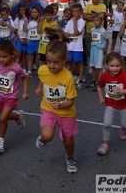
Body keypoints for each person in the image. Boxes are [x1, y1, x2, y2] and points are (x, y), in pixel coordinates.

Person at [35, 27, 78, 174]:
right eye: (49, 61)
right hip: (48, 108)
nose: (52, 66)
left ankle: (70, 157)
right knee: (47, 135)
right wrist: (39, 87)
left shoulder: (68, 78)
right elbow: (43, 78)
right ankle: (43, 137)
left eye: (56, 62)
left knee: (68, 141)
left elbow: (71, 101)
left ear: (65, 60)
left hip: (66, 112)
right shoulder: (42, 69)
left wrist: (60, 104)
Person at [0, 39, 29, 153]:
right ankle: (18, 117)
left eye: (4, 56)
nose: (1, 59)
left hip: (11, 97)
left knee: (2, 118)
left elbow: (24, 78)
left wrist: (25, 92)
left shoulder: (16, 67)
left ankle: (0, 140)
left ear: (12, 55)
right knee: (5, 117)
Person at [96, 52, 126, 155]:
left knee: (124, 124)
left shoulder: (124, 76)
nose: (115, 68)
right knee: (106, 124)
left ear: (122, 65)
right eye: (112, 66)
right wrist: (101, 97)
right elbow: (99, 86)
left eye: (117, 66)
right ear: (107, 65)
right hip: (110, 103)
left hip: (123, 104)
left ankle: (124, 129)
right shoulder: (105, 76)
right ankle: (105, 144)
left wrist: (121, 91)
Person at [64, 3, 86, 91]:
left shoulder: (82, 22)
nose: (74, 13)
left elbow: (77, 32)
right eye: (73, 11)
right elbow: (65, 33)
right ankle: (68, 80)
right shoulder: (69, 21)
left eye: (76, 11)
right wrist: (72, 33)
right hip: (70, 46)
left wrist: (75, 22)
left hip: (78, 47)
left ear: (80, 12)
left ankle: (80, 80)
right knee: (69, 62)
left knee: (79, 63)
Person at [83, 0, 107, 66]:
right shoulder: (88, 6)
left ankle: (100, 64)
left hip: (99, 32)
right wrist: (95, 17)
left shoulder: (103, 6)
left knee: (99, 49)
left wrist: (89, 16)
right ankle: (92, 64)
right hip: (89, 31)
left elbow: (101, 16)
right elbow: (84, 17)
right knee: (89, 49)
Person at [87, 13, 109, 90]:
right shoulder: (93, 29)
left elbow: (107, 40)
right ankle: (93, 81)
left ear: (101, 21)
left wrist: (105, 49)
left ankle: (99, 83)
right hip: (93, 49)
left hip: (99, 50)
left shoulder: (103, 31)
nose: (95, 22)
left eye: (97, 20)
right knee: (93, 66)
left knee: (99, 67)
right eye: (94, 20)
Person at [26, 5, 42, 78]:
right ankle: (29, 71)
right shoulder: (30, 21)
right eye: (32, 12)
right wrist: (25, 21)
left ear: (39, 13)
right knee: (30, 57)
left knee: (39, 57)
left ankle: (40, 72)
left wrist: (40, 22)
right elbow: (25, 30)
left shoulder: (41, 21)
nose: (33, 14)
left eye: (35, 12)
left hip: (38, 41)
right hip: (31, 41)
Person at [14, 3, 29, 75]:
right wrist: (20, 39)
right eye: (20, 10)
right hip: (20, 38)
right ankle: (16, 68)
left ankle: (23, 68)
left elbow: (28, 30)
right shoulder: (17, 19)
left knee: (24, 55)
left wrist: (27, 39)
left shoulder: (29, 19)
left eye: (23, 10)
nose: (22, 12)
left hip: (27, 38)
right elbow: (16, 31)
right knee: (18, 54)